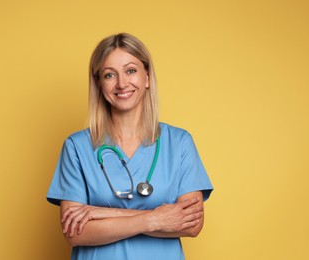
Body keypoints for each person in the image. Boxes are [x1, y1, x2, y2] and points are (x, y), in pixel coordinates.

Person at [47, 33, 213, 260]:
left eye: (131, 70)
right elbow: (75, 232)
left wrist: (101, 213)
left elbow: (191, 225)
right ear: (99, 84)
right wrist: (154, 219)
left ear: (147, 77)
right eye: (109, 75)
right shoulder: (77, 147)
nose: (122, 83)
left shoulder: (179, 142)